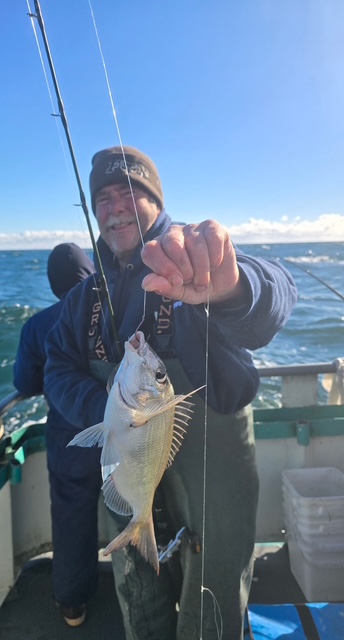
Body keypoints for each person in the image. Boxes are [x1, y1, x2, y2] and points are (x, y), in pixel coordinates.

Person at [44, 147, 298, 640]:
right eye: (105, 198)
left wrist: (233, 287)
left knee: (216, 578)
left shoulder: (190, 260)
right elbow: (57, 370)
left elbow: (276, 292)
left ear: (157, 202)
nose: (116, 207)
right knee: (137, 582)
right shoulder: (81, 301)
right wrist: (109, 410)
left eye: (131, 193)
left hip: (213, 459)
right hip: (128, 450)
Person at [13, 242, 101, 628]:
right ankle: (159, 590)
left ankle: (71, 604)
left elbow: (25, 382)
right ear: (90, 272)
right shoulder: (109, 313)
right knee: (144, 507)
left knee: (71, 518)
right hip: (123, 432)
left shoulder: (36, 325)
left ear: (53, 284)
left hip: (68, 439)